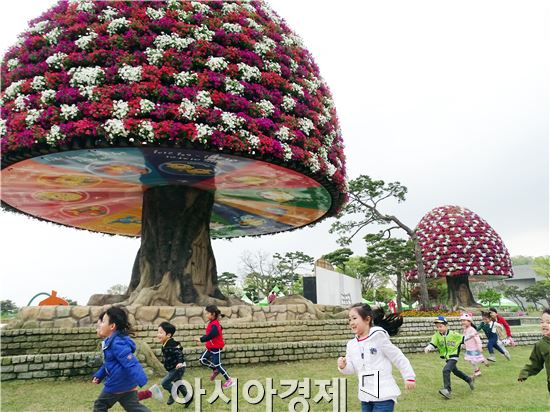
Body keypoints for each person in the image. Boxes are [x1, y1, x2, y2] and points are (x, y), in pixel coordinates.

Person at [337, 303, 416, 411]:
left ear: (367, 319)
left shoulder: (379, 337)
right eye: (349, 319)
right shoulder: (351, 345)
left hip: (384, 395)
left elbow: (397, 357)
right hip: (366, 396)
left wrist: (409, 377)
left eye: (354, 318)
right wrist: (343, 366)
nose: (351, 322)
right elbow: (351, 369)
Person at [92, 307, 150, 412]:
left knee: (100, 405)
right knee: (133, 407)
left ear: (112, 326)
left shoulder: (117, 343)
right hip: (127, 383)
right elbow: (108, 363)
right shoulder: (112, 342)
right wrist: (99, 375)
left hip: (117, 383)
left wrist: (141, 378)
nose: (100, 324)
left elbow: (131, 362)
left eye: (103, 322)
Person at [138, 322, 191, 407]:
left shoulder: (171, 345)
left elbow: (179, 353)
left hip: (178, 368)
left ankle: (174, 393)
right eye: (158, 332)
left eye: (161, 333)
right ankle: (188, 398)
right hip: (174, 368)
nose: (158, 334)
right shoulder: (166, 343)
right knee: (178, 383)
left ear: (169, 335)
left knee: (165, 382)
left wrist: (180, 362)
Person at [424, 315, 474, 399]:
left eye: (441, 326)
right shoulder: (436, 335)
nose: (439, 328)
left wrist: (472, 336)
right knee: (455, 371)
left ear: (446, 326)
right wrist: (428, 348)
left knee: (446, 370)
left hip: (454, 356)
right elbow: (433, 343)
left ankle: (447, 390)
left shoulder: (453, 334)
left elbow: (464, 339)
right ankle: (469, 379)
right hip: (447, 358)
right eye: (437, 327)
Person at [197, 305, 235, 389]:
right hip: (210, 347)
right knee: (202, 360)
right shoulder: (212, 323)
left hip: (216, 347)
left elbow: (212, 335)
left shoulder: (215, 324)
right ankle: (215, 369)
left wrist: (201, 339)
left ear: (213, 314)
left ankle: (230, 380)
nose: (206, 315)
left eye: (207, 313)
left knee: (218, 364)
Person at [518, 308, 550, 393]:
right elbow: (535, 363)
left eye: (548, 322)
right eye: (542, 322)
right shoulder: (541, 344)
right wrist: (525, 372)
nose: (544, 325)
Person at [460, 313, 489, 377]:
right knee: (471, 360)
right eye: (462, 321)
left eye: (464, 321)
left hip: (474, 348)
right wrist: (463, 344)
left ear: (469, 321)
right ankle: (478, 368)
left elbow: (477, 339)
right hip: (469, 348)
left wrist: (479, 347)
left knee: (473, 360)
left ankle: (482, 362)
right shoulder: (465, 329)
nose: (463, 322)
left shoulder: (472, 330)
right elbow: (464, 338)